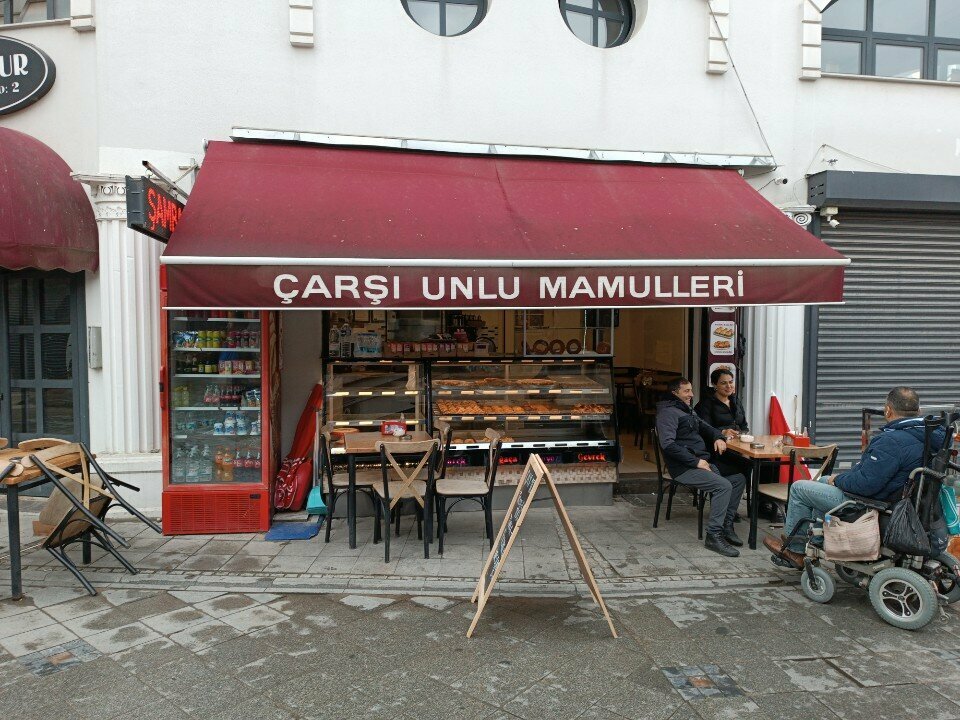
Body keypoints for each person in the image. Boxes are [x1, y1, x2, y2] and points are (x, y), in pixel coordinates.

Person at [764, 386, 943, 568]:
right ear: (918, 411)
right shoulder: (930, 436)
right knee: (823, 481)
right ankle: (815, 541)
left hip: (874, 503)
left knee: (799, 488)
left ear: (888, 410)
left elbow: (866, 485)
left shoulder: (892, 441)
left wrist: (839, 479)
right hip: (901, 498)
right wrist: (839, 478)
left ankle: (795, 551)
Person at [656, 377, 747, 557]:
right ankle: (713, 535)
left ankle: (726, 525)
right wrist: (695, 462)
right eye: (686, 391)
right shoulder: (668, 413)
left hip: (700, 462)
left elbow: (706, 427)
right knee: (723, 486)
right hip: (684, 468)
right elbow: (668, 445)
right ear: (675, 393)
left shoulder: (686, 410)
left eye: (691, 390)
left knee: (738, 479)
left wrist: (718, 437)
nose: (691, 394)